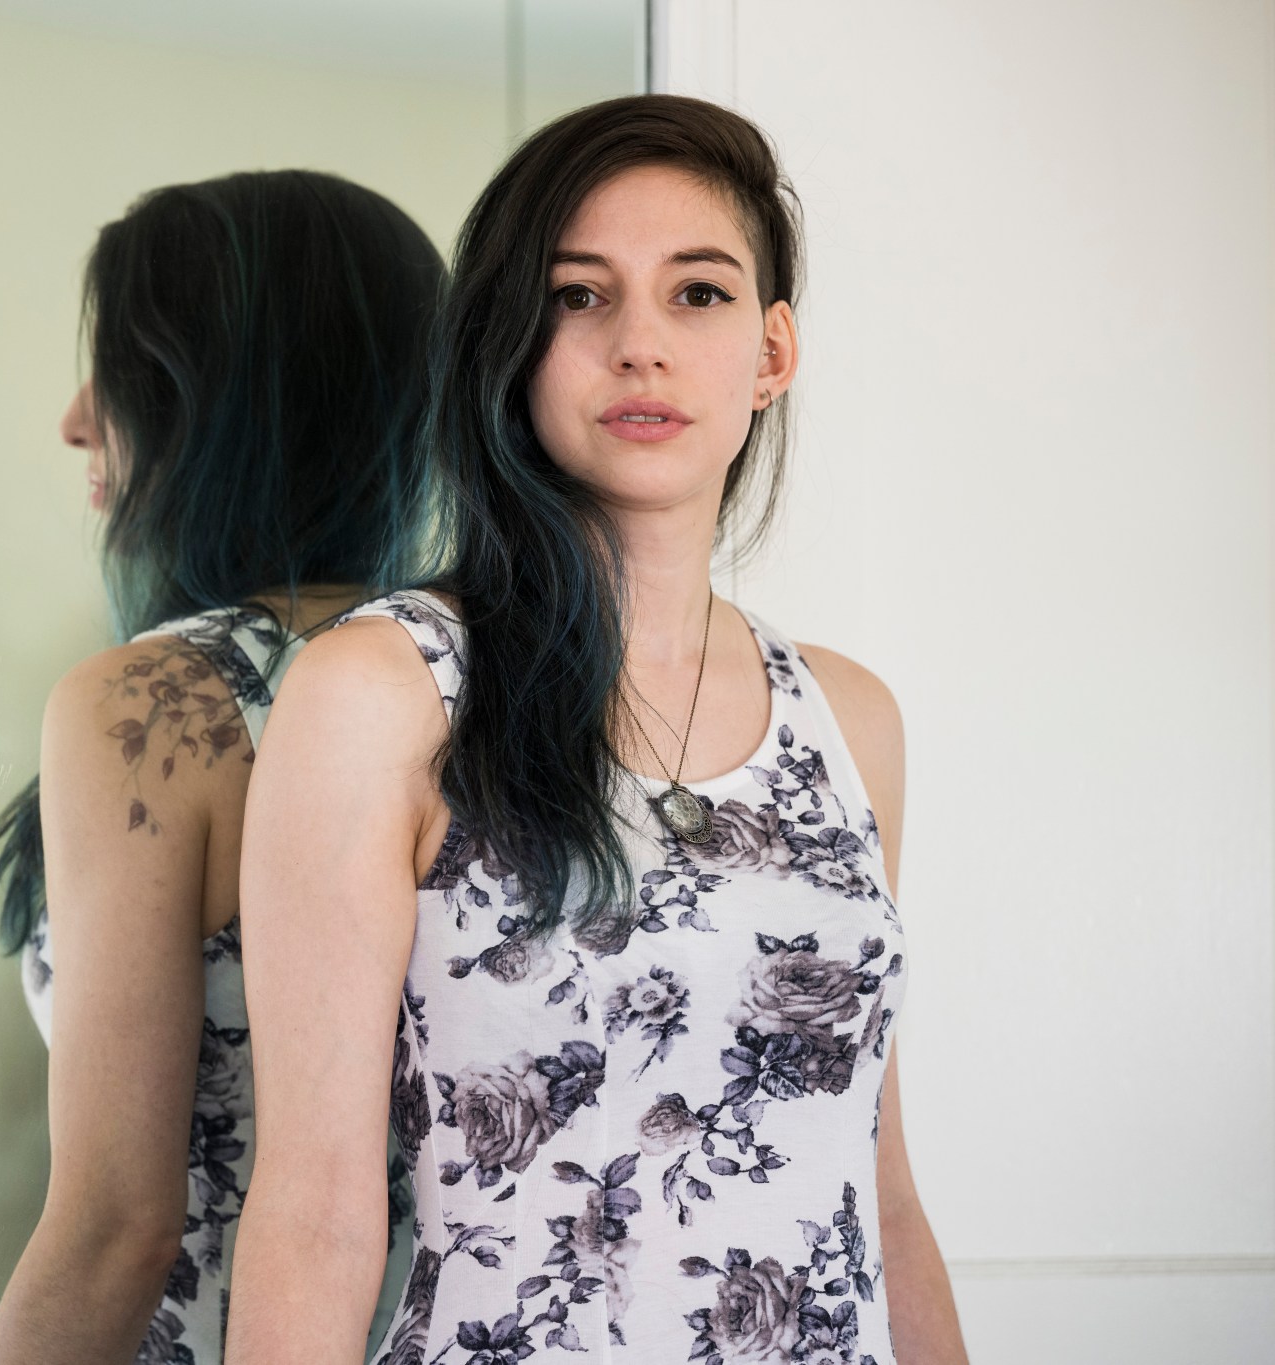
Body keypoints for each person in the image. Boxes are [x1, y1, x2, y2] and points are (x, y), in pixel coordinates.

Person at [226, 95, 970, 1364]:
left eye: (698, 295)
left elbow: (875, 1191)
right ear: (509, 344)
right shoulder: (381, 691)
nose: (640, 345)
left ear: (772, 351)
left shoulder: (849, 720)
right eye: (578, 296)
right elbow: (313, 1213)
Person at [0, 169, 446, 1365]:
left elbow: (113, 1231)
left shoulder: (154, 707)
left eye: (122, 372)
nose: (78, 418)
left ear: (226, 405)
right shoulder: (495, 678)